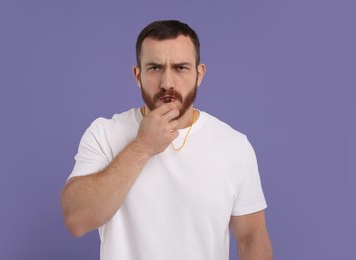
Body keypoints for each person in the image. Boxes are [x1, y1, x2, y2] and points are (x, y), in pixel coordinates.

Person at [60, 20, 273, 260]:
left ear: (199, 74)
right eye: (154, 68)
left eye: (181, 67)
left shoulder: (234, 146)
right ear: (137, 75)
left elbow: (252, 238)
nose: (167, 83)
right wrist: (142, 147)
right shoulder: (104, 133)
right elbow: (76, 219)